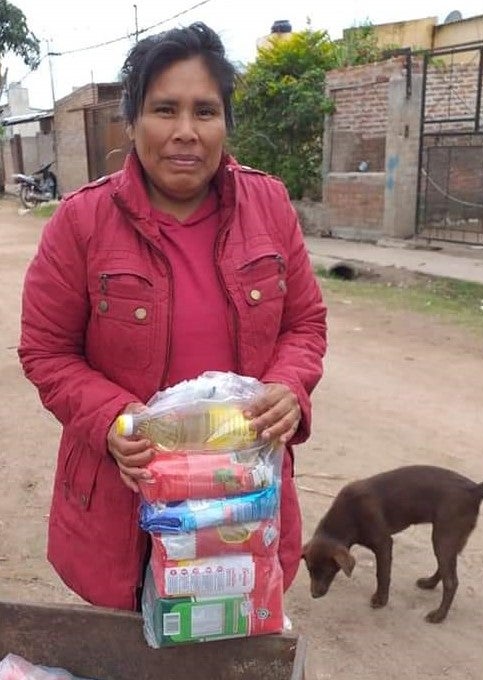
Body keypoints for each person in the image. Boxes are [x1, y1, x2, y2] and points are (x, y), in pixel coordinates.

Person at [18, 22, 327, 611]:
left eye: (205, 111)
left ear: (226, 124)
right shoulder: (81, 223)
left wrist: (289, 387)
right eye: (164, 109)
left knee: (230, 631)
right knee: (133, 648)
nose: (185, 132)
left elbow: (305, 323)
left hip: (242, 500)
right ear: (131, 122)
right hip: (125, 510)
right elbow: (46, 352)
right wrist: (112, 419)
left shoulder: (270, 206)